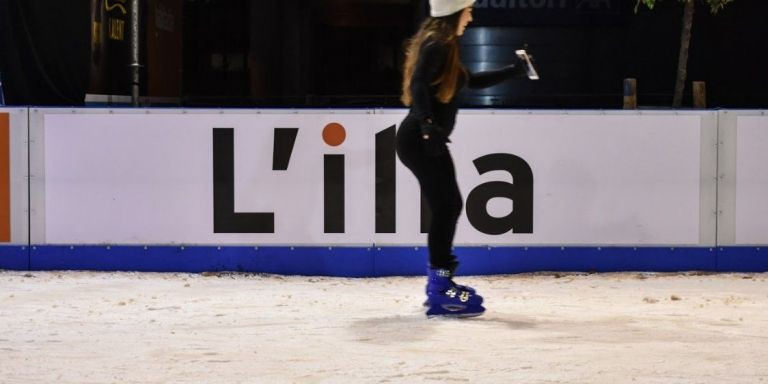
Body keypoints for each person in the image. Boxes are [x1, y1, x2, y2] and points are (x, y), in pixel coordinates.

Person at [396, 0, 530, 318]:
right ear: (455, 11)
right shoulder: (438, 44)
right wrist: (428, 126)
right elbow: (417, 84)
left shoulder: (443, 45)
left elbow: (471, 81)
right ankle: (440, 287)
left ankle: (439, 283)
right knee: (448, 205)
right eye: (467, 11)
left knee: (448, 205)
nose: (470, 17)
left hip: (423, 138)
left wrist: (514, 70)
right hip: (419, 139)